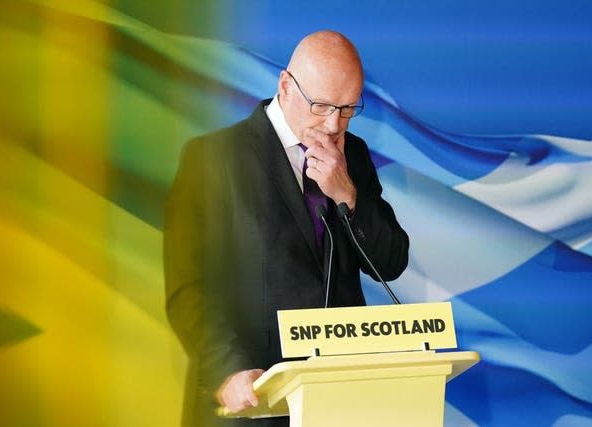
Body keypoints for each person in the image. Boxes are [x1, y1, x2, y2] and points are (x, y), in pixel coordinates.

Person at [164, 30, 409, 427]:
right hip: (254, 402)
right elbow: (188, 287)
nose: (334, 124)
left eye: (348, 109)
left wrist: (348, 194)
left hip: (338, 404)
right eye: (323, 105)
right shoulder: (211, 159)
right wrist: (228, 372)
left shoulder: (355, 156)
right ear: (285, 86)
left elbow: (392, 260)